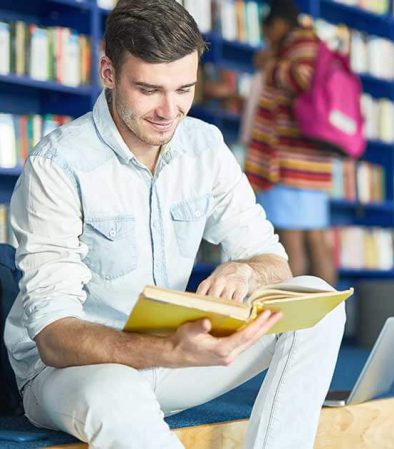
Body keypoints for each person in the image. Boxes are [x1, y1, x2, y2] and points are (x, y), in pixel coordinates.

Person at [3, 1, 345, 448]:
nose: (170, 111)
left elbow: (272, 259)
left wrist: (246, 270)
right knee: (116, 390)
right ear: (108, 72)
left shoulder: (205, 146)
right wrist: (169, 350)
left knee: (320, 303)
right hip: (74, 373)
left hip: (175, 357)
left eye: (185, 89)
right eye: (148, 90)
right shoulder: (58, 163)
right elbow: (54, 337)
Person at [245, 0, 336, 286]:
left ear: (279, 25)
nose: (267, 39)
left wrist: (269, 65)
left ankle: (295, 328)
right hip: (312, 164)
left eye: (268, 32)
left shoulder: (300, 44)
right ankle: (331, 320)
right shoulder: (316, 45)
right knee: (316, 241)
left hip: (290, 163)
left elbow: (302, 78)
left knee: (290, 245)